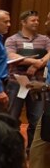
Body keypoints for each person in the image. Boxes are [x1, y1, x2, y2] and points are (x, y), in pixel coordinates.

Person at [5, 9, 50, 146]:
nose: (37, 22)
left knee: (36, 119)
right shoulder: (12, 39)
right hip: (16, 83)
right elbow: (11, 56)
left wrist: (37, 65)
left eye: (37, 20)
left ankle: (31, 149)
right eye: (33, 20)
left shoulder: (45, 39)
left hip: (38, 84)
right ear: (23, 22)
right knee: (12, 117)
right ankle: (12, 148)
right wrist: (33, 61)